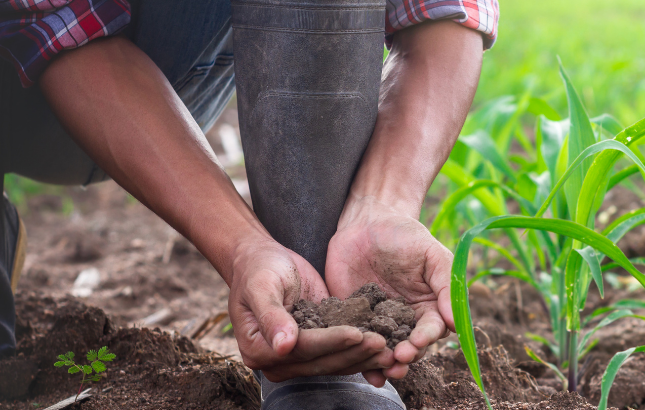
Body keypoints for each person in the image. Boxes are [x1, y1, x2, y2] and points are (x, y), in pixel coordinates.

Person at [0, 0, 498, 408]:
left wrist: (381, 204)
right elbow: (53, 27)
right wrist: (240, 248)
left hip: (154, 63)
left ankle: (316, 346)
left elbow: (443, 12)